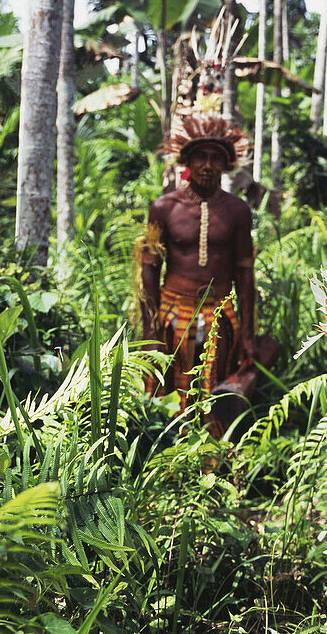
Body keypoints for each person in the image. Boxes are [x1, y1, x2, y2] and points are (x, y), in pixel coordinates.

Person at [138, 110, 256, 436]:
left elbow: (245, 275)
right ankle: (165, 448)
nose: (207, 164)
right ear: (187, 160)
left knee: (216, 385)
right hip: (172, 311)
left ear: (226, 164)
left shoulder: (237, 211)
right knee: (169, 387)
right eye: (200, 156)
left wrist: (247, 334)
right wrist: (150, 328)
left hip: (221, 314)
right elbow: (149, 267)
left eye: (215, 158)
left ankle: (213, 455)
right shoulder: (164, 208)